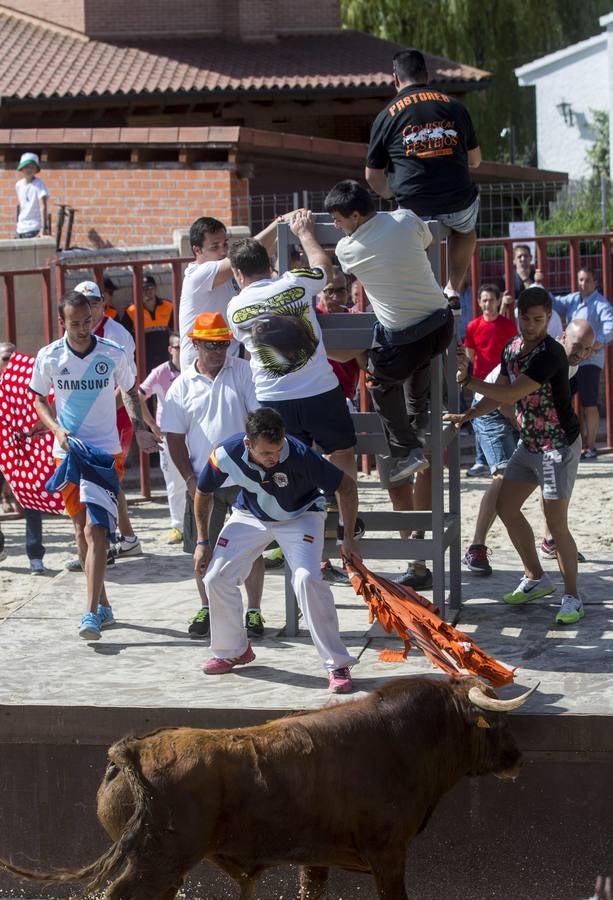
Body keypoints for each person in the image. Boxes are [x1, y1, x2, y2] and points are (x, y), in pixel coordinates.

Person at [195, 407, 361, 693]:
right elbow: (202, 491)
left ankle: (337, 664)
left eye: (278, 449)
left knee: (307, 578)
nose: (274, 458)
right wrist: (202, 542)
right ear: (248, 444)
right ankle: (232, 651)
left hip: (302, 515)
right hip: (250, 514)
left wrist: (348, 538)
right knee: (215, 577)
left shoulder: (300, 454)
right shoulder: (224, 454)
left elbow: (346, 487)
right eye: (266, 453)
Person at [29, 291, 158, 640]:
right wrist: (56, 429)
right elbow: (38, 397)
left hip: (104, 454)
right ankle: (103, 604)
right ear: (62, 323)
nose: (84, 328)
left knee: (95, 530)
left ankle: (89, 615)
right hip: (69, 453)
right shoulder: (50, 356)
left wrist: (140, 429)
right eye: (75, 323)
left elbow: (130, 390)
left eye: (88, 320)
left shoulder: (112, 352)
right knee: (80, 531)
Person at [226, 213, 361, 541]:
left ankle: (308, 529)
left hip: (274, 398)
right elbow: (325, 269)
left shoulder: (234, 308)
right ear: (268, 263)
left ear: (238, 274)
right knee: (341, 451)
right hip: (319, 389)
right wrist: (305, 233)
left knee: (291, 462)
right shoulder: (294, 282)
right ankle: (347, 524)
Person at [454, 287, 584, 624]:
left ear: (549, 318)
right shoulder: (511, 348)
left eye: (538, 320)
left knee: (556, 525)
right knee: (506, 507)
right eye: (526, 319)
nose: (531, 325)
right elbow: (500, 394)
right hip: (529, 444)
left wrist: (468, 381)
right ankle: (536, 577)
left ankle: (573, 597)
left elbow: (512, 393)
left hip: (556, 447)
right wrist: (468, 415)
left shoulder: (551, 353)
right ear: (517, 316)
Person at [325, 179, 453, 482]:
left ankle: (406, 449)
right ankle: (418, 420)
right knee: (419, 360)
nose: (336, 226)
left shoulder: (348, 249)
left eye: (338, 220)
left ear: (355, 216)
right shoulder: (406, 218)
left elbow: (343, 270)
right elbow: (427, 241)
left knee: (379, 381)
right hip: (442, 323)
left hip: (407, 338)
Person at [448, 319, 595, 576]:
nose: (581, 353)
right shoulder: (543, 356)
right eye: (577, 346)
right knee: (503, 476)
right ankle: (476, 547)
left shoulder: (569, 362)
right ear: (562, 337)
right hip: (492, 409)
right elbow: (506, 400)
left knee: (547, 469)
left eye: (587, 349)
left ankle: (549, 539)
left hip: (522, 413)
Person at [161, 312, 264, 639]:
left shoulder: (243, 371)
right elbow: (173, 437)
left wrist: (257, 468)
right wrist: (190, 480)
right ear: (195, 344)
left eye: (223, 343)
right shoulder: (181, 386)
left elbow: (259, 419)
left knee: (253, 549)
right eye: (211, 344)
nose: (219, 350)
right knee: (201, 548)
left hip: (244, 477)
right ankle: (206, 607)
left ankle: (254, 611)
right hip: (204, 481)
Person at [365, 48, 481, 307]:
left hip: (413, 207)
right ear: (426, 76)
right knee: (466, 229)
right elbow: (475, 160)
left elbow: (372, 176)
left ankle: (420, 294)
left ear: (396, 79)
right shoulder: (455, 106)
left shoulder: (387, 115)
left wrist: (392, 194)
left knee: (411, 239)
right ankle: (452, 287)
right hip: (457, 201)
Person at [72, 280, 141, 560]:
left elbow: (127, 385)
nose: (90, 309)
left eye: (95, 302)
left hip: (115, 415)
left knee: (107, 478)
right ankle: (119, 539)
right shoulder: (74, 331)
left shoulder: (117, 334)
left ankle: (106, 541)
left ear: (104, 303)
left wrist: (98, 411)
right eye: (83, 303)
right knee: (96, 479)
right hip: (83, 420)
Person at [179, 214, 286, 368]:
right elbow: (249, 253)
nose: (223, 251)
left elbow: (260, 253)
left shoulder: (228, 271)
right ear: (197, 250)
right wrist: (278, 223)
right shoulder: (198, 275)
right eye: (215, 247)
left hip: (229, 360)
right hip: (201, 366)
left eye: (225, 244)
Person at [551, 268, 613, 458]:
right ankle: (568, 443)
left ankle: (590, 447)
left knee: (589, 403)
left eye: (587, 280)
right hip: (570, 361)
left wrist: (593, 345)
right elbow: (553, 302)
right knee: (560, 401)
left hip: (589, 362)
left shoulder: (601, 303)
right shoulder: (573, 299)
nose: (583, 283)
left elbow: (610, 328)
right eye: (580, 279)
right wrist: (533, 283)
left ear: (595, 282)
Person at [0, 341, 48, 574]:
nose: (10, 362)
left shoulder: (27, 387)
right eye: (4, 359)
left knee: (31, 504)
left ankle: (35, 556)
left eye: (13, 357)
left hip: (22, 451)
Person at [464, 283, 517, 476]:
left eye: (491, 300)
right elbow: (470, 354)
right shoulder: (473, 326)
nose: (487, 304)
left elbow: (514, 351)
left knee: (505, 417)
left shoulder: (508, 325)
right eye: (484, 300)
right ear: (479, 302)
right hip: (481, 380)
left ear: (498, 301)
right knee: (480, 417)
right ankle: (481, 461)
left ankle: (504, 457)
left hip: (503, 380)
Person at [138, 332, 184, 544]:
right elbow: (139, 396)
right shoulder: (160, 372)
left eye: (184, 346)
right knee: (174, 484)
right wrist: (152, 425)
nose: (181, 351)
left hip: (194, 432)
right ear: (170, 349)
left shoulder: (194, 368)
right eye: (177, 347)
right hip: (170, 435)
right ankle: (178, 526)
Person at [501, 246, 564, 338]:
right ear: (514, 260)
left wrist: (531, 281)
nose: (523, 259)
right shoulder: (506, 279)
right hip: (518, 318)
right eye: (519, 256)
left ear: (531, 258)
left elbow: (542, 298)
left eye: (526, 256)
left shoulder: (537, 276)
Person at [123, 274, 174, 373]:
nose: (148, 292)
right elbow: (125, 338)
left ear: (155, 288)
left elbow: (176, 331)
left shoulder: (168, 306)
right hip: (143, 360)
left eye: (150, 288)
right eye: (144, 289)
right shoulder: (131, 311)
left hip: (164, 357)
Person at [15, 152, 49, 239]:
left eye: (32, 167)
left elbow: (43, 207)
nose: (29, 170)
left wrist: (43, 228)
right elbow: (22, 206)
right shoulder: (18, 185)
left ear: (36, 169)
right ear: (22, 168)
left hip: (34, 229)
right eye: (26, 167)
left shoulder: (39, 184)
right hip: (20, 229)